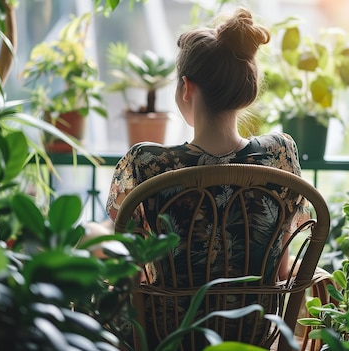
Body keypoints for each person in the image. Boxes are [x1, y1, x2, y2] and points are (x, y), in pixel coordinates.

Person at [103, 7, 309, 347]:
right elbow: (281, 272)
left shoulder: (147, 164)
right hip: (254, 335)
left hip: (171, 337)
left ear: (187, 88)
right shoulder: (280, 155)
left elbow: (132, 275)